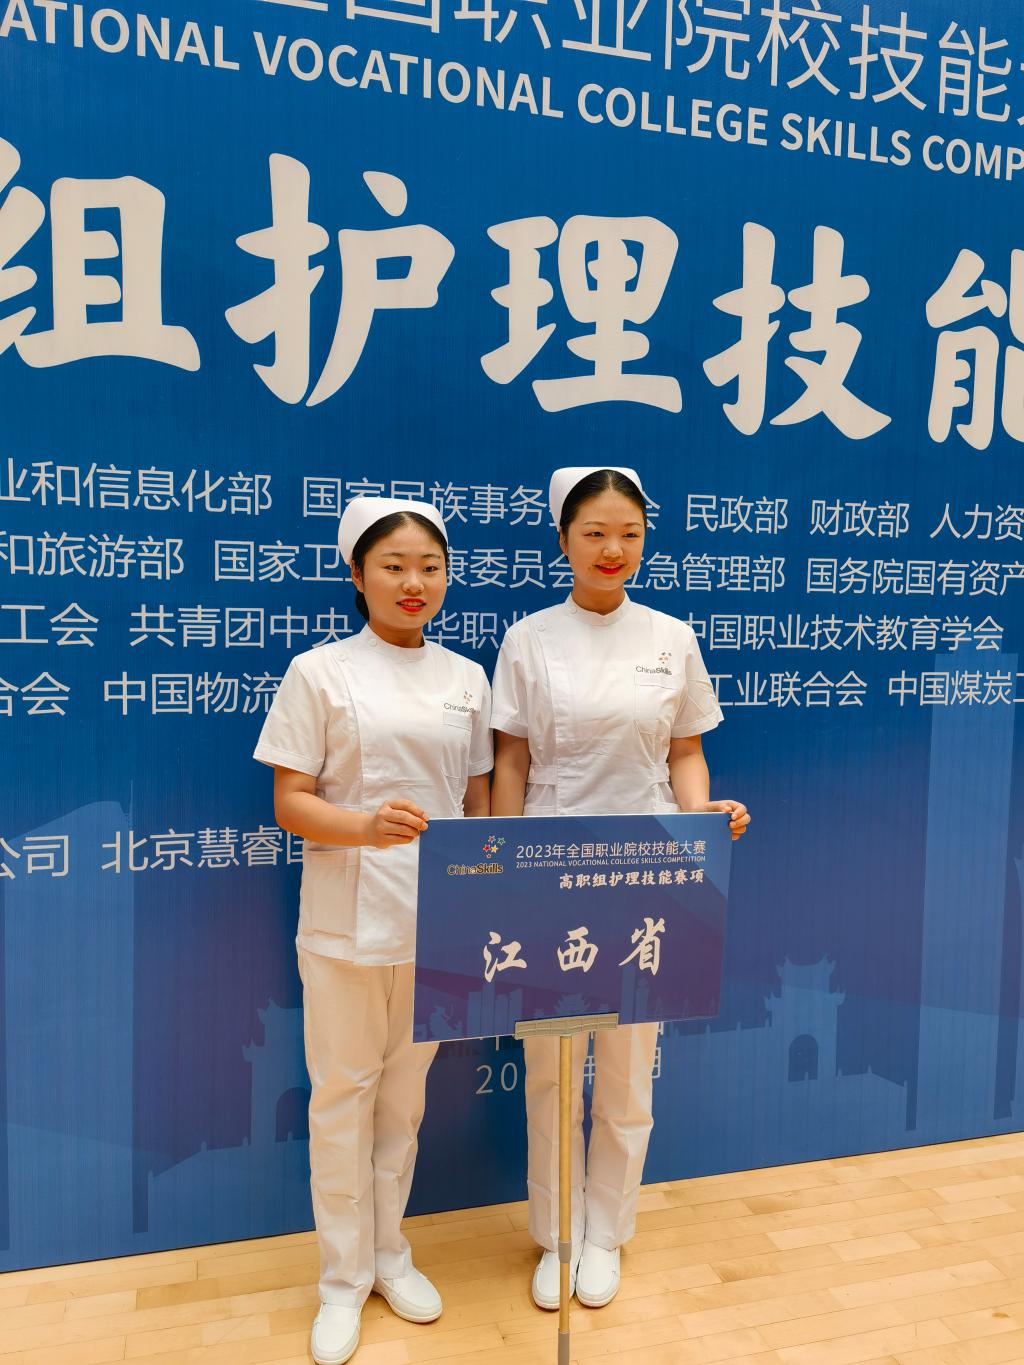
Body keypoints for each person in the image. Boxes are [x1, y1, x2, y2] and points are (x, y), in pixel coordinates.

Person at [490, 466, 750, 1312]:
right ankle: (557, 1233)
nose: (613, 549)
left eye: (629, 534)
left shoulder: (672, 636)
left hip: (646, 871)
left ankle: (605, 1233)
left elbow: (685, 751)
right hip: (550, 867)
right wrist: (502, 865)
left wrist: (701, 818)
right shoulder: (529, 637)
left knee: (631, 1068)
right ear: (563, 539)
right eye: (595, 532)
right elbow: (511, 760)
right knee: (553, 1068)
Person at [253, 496, 492, 1365]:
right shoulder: (318, 672)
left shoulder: (467, 678)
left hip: (437, 923)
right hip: (345, 924)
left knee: (404, 1102)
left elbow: (477, 800)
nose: (413, 581)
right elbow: (289, 801)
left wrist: (484, 892)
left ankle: (391, 1253)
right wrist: (364, 827)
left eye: (430, 566)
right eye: (393, 565)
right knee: (341, 1101)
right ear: (358, 574)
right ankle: (340, 1280)